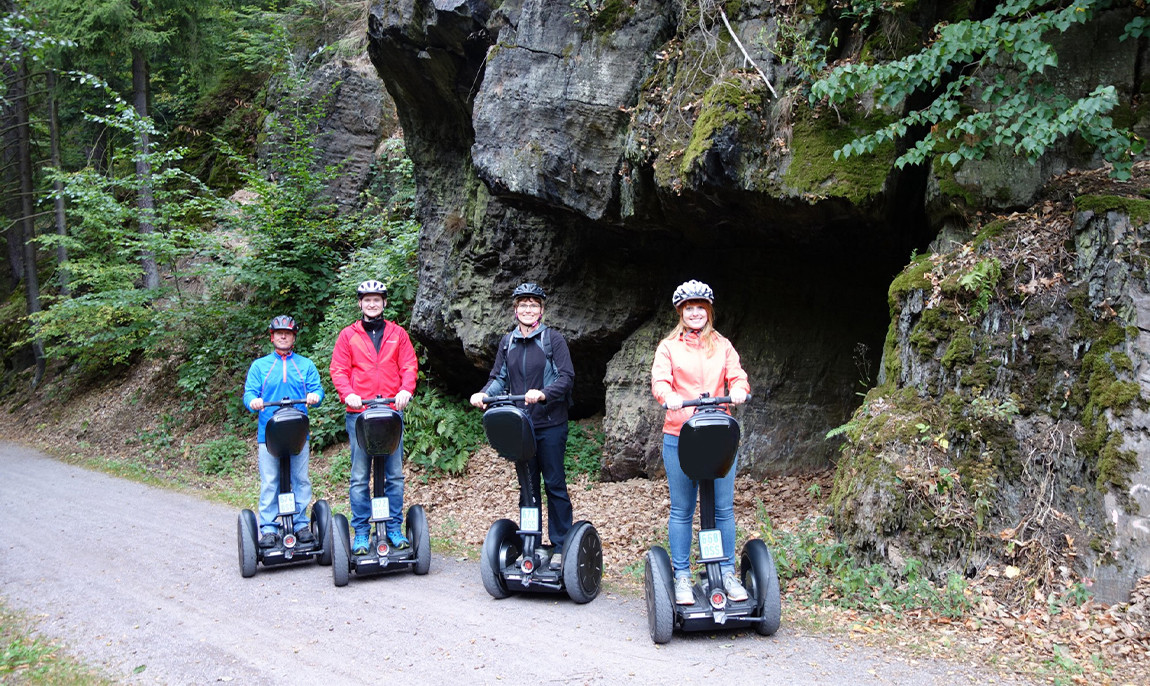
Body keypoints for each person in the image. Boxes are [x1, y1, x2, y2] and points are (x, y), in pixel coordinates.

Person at [650, 279, 751, 605]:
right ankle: (682, 575)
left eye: (700, 308)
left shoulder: (722, 345)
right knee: (682, 509)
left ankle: (726, 571)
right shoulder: (669, 347)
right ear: (681, 312)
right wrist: (669, 396)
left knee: (723, 509)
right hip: (681, 434)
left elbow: (737, 375)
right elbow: (660, 381)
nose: (695, 313)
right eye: (689, 308)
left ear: (708, 311)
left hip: (717, 435)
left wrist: (739, 389)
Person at [470, 283, 576, 571]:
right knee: (527, 487)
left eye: (534, 305)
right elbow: (499, 378)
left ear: (541, 310)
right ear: (515, 309)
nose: (528, 309)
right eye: (523, 305)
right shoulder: (508, 342)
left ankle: (561, 545)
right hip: (521, 425)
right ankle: (532, 542)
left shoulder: (552, 340)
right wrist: (483, 394)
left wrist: (543, 393)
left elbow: (566, 377)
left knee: (554, 483)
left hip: (550, 424)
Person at [330, 279, 418, 555]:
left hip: (390, 412)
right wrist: (348, 394)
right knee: (359, 476)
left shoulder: (397, 334)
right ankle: (361, 532)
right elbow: (339, 369)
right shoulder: (348, 335)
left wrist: (405, 390)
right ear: (360, 303)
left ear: (384, 303)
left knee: (394, 475)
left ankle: (393, 527)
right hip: (360, 414)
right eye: (367, 300)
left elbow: (408, 365)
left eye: (376, 300)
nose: (372, 304)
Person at [243, 315, 324, 548]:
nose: (283, 336)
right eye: (279, 333)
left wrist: (315, 396)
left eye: (287, 333)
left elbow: (318, 390)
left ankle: (300, 524)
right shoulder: (260, 366)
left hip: (298, 433)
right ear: (272, 337)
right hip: (269, 433)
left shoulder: (305, 365)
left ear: (294, 337)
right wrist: (254, 401)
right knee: (270, 481)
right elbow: (249, 394)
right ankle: (269, 528)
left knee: (300, 479)